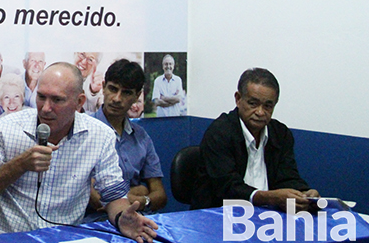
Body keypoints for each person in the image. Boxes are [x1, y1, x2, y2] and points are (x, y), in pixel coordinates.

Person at [0, 62, 158, 243]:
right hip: (7, 239)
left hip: (64, 242)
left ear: (79, 102)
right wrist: (19, 165)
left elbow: (113, 195)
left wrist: (122, 217)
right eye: (41, 97)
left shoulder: (100, 135)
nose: (46, 108)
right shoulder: (8, 127)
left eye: (57, 100)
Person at [192, 68, 319, 211]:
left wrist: (303, 193)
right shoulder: (219, 132)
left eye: (268, 106)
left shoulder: (280, 134)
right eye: (253, 103)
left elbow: (287, 176)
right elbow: (226, 188)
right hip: (218, 216)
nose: (260, 112)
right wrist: (268, 197)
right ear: (238, 99)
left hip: (269, 216)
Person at [89, 59, 166, 215]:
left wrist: (143, 200)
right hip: (98, 222)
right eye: (113, 89)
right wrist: (139, 191)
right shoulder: (85, 130)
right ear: (103, 88)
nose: (117, 98)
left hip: (139, 216)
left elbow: (160, 195)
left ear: (137, 96)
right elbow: (94, 198)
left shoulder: (141, 137)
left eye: (126, 92)